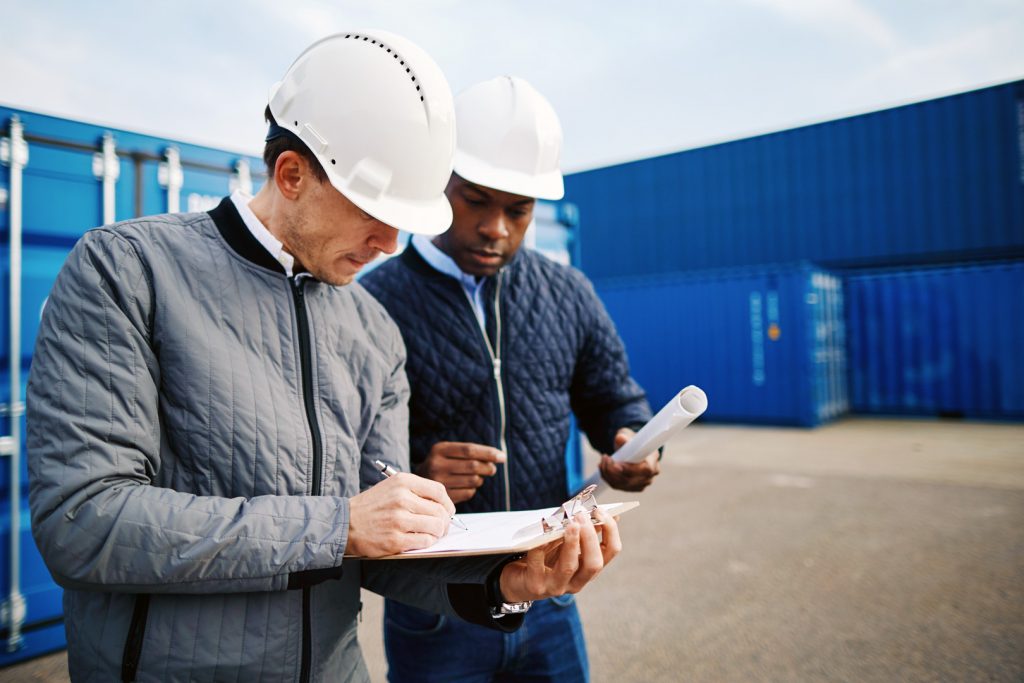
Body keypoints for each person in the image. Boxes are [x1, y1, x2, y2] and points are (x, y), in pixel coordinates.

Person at [26, 35, 621, 683]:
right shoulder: (126, 273)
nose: (392, 244)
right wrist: (337, 524)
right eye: (375, 212)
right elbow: (83, 522)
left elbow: (385, 544)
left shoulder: (371, 328)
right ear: (292, 175)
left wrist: (504, 579)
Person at [362, 76, 660, 683]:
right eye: (476, 200)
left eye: (518, 210)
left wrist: (631, 443)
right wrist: (417, 471)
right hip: (436, 603)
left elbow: (614, 399)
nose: (496, 227)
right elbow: (342, 451)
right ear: (437, 182)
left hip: (550, 592)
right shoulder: (373, 302)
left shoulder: (567, 292)